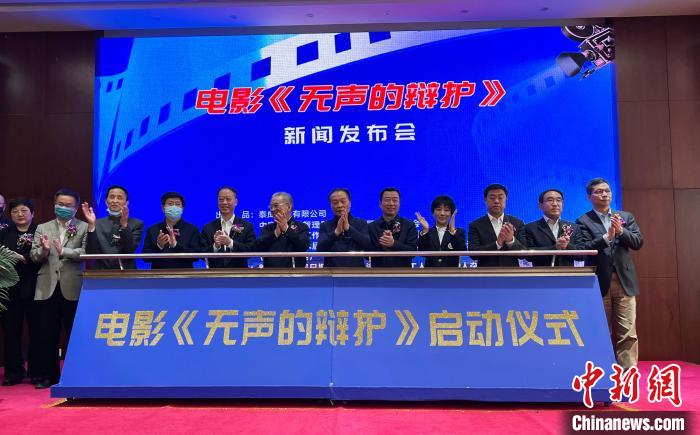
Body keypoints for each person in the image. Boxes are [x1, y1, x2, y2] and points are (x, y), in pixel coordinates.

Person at [576, 178, 643, 370]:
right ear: (589, 197)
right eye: (599, 192)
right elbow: (582, 248)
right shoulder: (583, 221)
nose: (604, 194)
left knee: (627, 330)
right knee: (600, 330)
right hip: (599, 281)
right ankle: (602, 372)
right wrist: (606, 238)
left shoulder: (625, 216)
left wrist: (621, 232)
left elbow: (638, 242)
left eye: (607, 191)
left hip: (624, 280)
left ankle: (628, 374)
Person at [30, 188, 88, 389]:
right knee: (47, 334)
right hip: (47, 287)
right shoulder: (42, 227)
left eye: (68, 205)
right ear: (55, 205)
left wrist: (65, 251)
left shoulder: (83, 227)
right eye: (60, 204)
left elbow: (85, 252)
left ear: (76, 208)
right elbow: (34, 256)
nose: (63, 208)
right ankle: (49, 376)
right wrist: (44, 250)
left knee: (75, 334)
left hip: (73, 286)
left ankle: (77, 375)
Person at [0, 198, 40, 386]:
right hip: (9, 289)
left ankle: (36, 371)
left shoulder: (40, 231)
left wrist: (23, 258)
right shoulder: (4, 233)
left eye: (24, 210)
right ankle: (13, 371)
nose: (20, 214)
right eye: (15, 211)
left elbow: (45, 257)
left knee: (37, 331)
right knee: (11, 332)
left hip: (36, 287)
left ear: (32, 213)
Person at [82, 185, 144, 269]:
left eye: (119, 198)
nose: (115, 201)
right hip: (100, 272)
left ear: (126, 203)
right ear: (106, 201)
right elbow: (91, 252)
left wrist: (124, 225)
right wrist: (91, 226)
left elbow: (129, 250)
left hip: (126, 272)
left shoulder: (136, 223)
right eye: (112, 197)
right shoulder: (96, 223)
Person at [468, 183, 527, 267]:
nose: (496, 201)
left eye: (500, 198)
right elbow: (473, 254)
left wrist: (511, 241)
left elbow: (524, 254)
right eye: (492, 198)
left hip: (511, 272)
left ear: (506, 199)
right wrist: (497, 244)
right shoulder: (475, 225)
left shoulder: (517, 223)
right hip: (486, 272)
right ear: (485, 200)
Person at [142, 192, 202, 269]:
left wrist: (176, 246)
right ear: (163, 208)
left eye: (177, 204)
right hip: (159, 274)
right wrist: (158, 246)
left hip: (185, 274)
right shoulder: (152, 230)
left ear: (182, 208)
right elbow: (145, 258)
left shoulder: (192, 229)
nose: (174, 207)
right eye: (170, 204)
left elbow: (196, 257)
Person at [524, 189, 582, 267]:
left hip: (568, 273)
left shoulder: (574, 227)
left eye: (559, 200)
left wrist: (567, 246)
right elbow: (528, 256)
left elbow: (582, 256)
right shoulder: (530, 228)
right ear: (540, 205)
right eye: (550, 200)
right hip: (542, 273)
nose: (555, 204)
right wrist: (555, 248)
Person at [201, 187, 255, 268]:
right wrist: (215, 246)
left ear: (236, 202)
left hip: (239, 273)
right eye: (221, 199)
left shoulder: (247, 226)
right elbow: (201, 254)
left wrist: (230, 243)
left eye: (228, 199)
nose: (224, 202)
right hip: (215, 273)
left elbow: (251, 251)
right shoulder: (208, 227)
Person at [317, 188, 371, 268]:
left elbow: (368, 245)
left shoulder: (361, 223)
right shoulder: (325, 225)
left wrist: (349, 228)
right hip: (331, 271)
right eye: (335, 203)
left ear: (350, 203)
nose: (339, 205)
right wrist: (336, 232)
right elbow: (319, 249)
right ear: (331, 206)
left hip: (357, 271)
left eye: (343, 201)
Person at [256, 192, 309, 268]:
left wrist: (286, 229)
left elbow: (303, 246)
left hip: (294, 272)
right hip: (270, 272)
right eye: (271, 206)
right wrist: (275, 234)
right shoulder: (267, 228)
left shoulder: (302, 227)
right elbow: (258, 248)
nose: (272, 209)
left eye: (276, 205)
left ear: (288, 207)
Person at [368, 187, 418, 268]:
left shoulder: (409, 225)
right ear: (380, 204)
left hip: (403, 273)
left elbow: (413, 252)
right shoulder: (372, 227)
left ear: (399, 203)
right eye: (387, 200)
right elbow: (366, 254)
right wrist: (382, 245)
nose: (391, 203)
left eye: (395, 200)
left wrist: (393, 244)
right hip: (378, 273)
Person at [416, 195, 466, 267]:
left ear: (451, 213)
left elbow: (462, 251)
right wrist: (425, 230)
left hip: (451, 272)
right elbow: (421, 252)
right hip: (430, 273)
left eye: (446, 210)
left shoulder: (459, 232)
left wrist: (452, 232)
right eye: (439, 209)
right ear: (433, 212)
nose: (442, 213)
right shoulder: (427, 232)